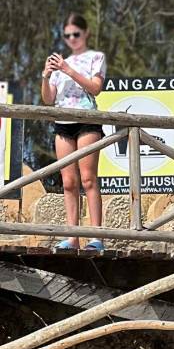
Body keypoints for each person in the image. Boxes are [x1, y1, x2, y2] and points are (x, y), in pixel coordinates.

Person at [40, 13, 107, 250]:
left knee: (88, 179)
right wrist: (46, 75)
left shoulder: (95, 57)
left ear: (85, 33)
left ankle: (96, 237)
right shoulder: (59, 64)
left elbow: (96, 89)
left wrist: (69, 70)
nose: (72, 39)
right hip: (63, 123)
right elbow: (48, 100)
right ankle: (72, 237)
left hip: (87, 121)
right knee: (68, 182)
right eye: (67, 35)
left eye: (76, 34)